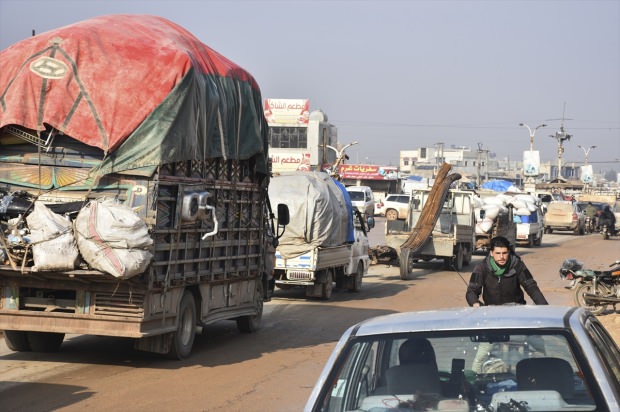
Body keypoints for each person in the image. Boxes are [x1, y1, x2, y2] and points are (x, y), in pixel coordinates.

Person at [466, 236, 548, 307]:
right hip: (492, 311)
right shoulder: (481, 267)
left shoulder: (517, 265)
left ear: (508, 252)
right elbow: (472, 291)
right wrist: (475, 303)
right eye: (498, 253)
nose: (501, 257)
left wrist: (544, 306)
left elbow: (531, 287)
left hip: (516, 310)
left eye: (504, 253)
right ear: (491, 253)